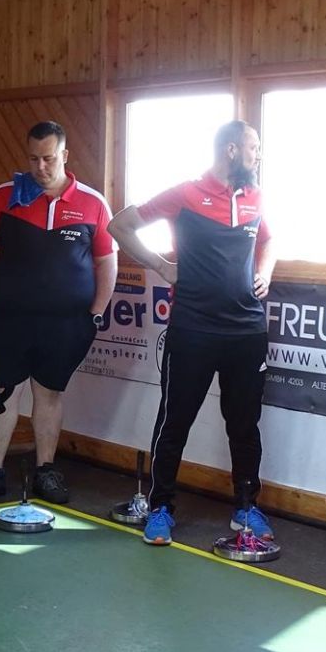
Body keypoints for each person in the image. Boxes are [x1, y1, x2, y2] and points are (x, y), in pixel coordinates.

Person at [107, 120, 276, 546]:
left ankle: (246, 507)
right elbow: (120, 226)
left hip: (246, 331)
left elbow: (270, 239)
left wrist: (265, 270)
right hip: (193, 328)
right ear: (232, 150)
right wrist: (162, 266)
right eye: (254, 147)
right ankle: (160, 507)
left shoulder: (256, 197)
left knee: (245, 425)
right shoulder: (186, 194)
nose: (258, 155)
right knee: (175, 420)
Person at [0, 121, 118, 505]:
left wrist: (96, 314)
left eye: (48, 158)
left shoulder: (93, 203)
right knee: (3, 391)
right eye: (33, 159)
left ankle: (46, 470)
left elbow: (107, 262)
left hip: (66, 323)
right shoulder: (4, 197)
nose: (40, 167)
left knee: (49, 393)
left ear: (64, 155)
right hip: (9, 319)